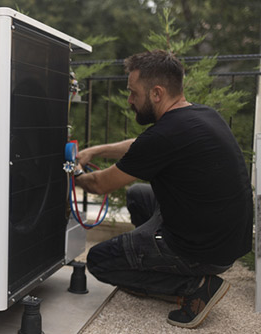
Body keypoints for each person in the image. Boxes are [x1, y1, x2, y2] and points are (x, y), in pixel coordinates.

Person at [74, 50, 253, 329]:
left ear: (156, 93)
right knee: (137, 195)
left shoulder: (165, 135)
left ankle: (195, 284)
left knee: (99, 260)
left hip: (201, 250)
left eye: (134, 93)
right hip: (222, 237)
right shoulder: (200, 114)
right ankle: (155, 260)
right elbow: (141, 144)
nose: (130, 100)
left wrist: (73, 175)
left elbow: (99, 184)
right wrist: (95, 151)